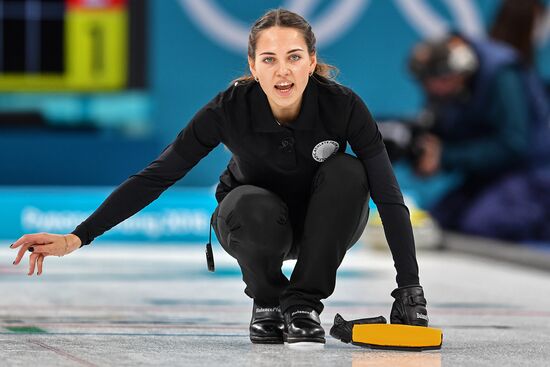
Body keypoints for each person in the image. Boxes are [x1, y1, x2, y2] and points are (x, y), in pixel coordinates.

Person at [9, 9, 429, 346]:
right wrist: (75, 238)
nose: (283, 72)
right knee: (251, 202)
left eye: (294, 57)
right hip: (253, 225)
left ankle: (302, 306)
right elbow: (158, 175)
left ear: (312, 61)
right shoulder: (228, 108)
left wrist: (409, 288)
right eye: (269, 59)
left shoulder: (344, 107)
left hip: (328, 225)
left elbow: (389, 196)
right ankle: (266, 301)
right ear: (253, 65)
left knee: (348, 171)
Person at [408, 32, 550, 241]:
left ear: (458, 71)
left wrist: (445, 156)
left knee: (481, 225)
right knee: (436, 223)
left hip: (531, 174)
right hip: (488, 176)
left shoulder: (502, 73)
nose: (433, 92)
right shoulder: (449, 87)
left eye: (437, 82)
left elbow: (513, 145)